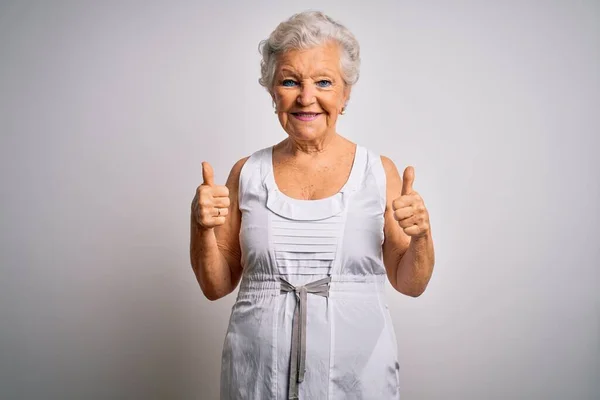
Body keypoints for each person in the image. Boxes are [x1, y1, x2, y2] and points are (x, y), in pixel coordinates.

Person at [190, 10, 435, 400]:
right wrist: (200, 227)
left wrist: (422, 235)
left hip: (358, 380)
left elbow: (411, 283)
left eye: (324, 82)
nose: (307, 97)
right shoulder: (246, 173)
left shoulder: (378, 172)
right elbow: (215, 285)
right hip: (255, 378)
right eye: (290, 81)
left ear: (345, 93)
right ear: (273, 92)